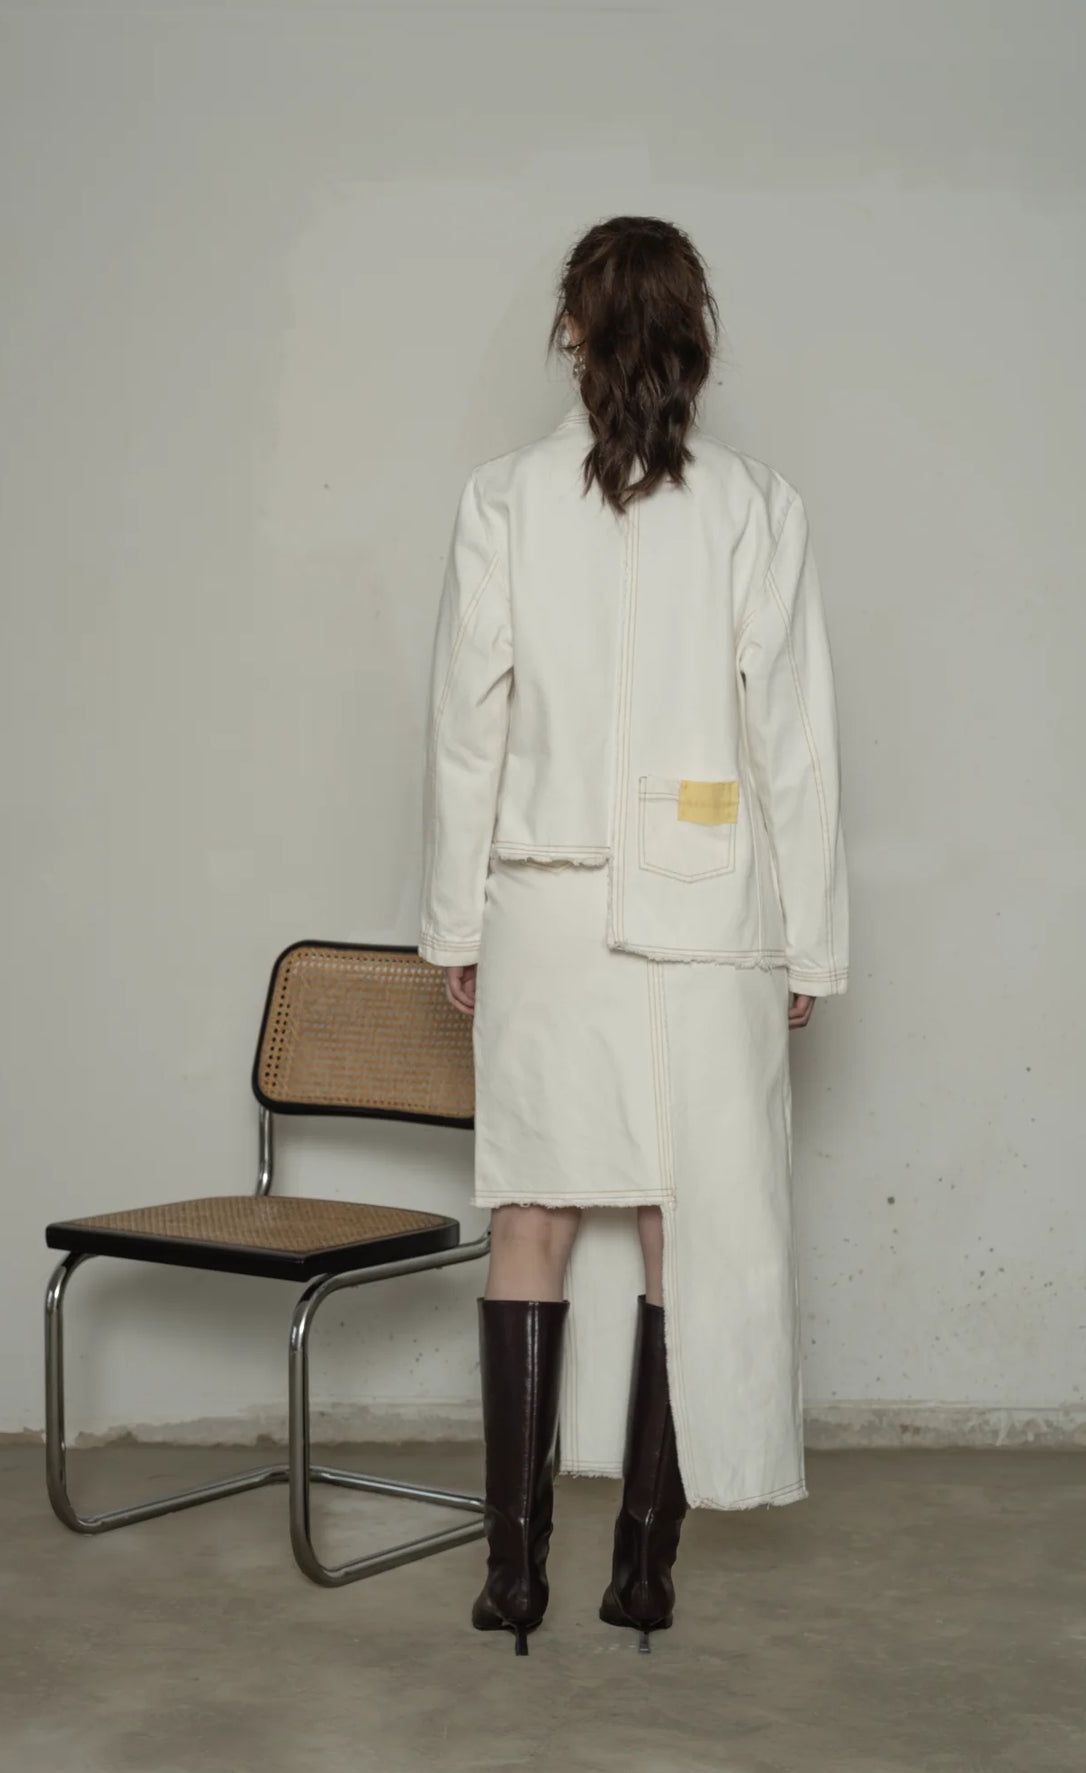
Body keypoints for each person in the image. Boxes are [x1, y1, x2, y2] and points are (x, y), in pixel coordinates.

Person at [417, 216, 850, 1655]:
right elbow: (794, 746)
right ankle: (643, 1570)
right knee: (683, 1219)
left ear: (570, 329)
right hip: (711, 903)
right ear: (696, 330)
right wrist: (808, 941)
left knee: (530, 1215)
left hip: (542, 903)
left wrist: (452, 919)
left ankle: (513, 1576)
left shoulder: (501, 498)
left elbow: (464, 731)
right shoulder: (756, 504)